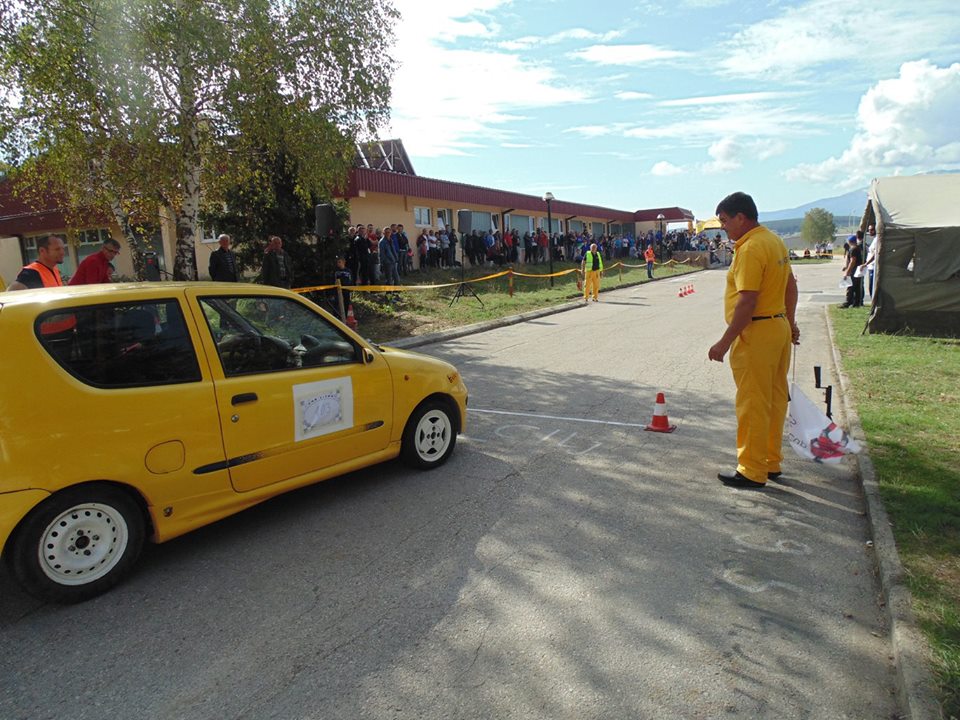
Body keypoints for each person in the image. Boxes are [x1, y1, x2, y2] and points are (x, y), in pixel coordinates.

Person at [708, 192, 800, 490]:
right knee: (774, 400)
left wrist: (724, 342)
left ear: (741, 217)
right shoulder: (774, 241)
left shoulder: (749, 249)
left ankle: (751, 469)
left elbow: (747, 301)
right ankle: (769, 461)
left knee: (752, 403)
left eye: (724, 220)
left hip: (757, 333)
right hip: (778, 328)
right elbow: (791, 286)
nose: (723, 227)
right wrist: (791, 320)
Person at [841, 234, 863, 308]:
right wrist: (846, 267)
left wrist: (847, 272)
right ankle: (856, 303)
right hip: (857, 270)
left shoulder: (853, 249)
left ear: (849, 241)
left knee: (850, 286)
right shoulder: (857, 248)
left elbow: (853, 261)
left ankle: (848, 302)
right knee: (856, 287)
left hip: (854, 270)